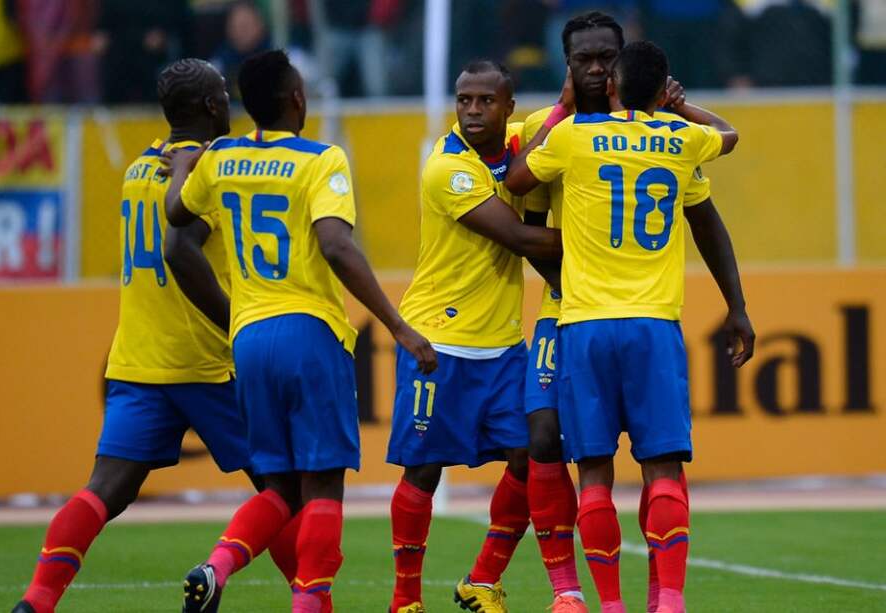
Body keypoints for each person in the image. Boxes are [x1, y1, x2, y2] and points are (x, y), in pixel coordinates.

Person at [163, 49, 437, 613]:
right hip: (308, 333)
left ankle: (218, 565)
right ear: (298, 99)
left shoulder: (221, 157)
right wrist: (398, 326)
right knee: (322, 486)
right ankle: (309, 604)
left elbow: (176, 215)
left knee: (279, 489)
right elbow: (335, 245)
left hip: (248, 339)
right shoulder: (321, 159)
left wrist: (185, 170)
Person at [10, 58, 270, 613]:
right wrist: (237, 323)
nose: (230, 102)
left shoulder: (137, 169)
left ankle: (36, 600)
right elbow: (181, 252)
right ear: (209, 107)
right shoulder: (211, 170)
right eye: (223, 94)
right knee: (282, 488)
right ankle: (310, 599)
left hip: (137, 360)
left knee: (105, 489)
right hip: (206, 361)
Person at [507, 40, 754, 613]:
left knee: (594, 471)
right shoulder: (681, 139)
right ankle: (670, 601)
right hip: (653, 324)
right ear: (663, 90)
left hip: (585, 325)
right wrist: (680, 108)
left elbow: (517, 181)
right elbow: (729, 133)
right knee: (662, 467)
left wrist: (562, 107)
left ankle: (611, 605)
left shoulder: (574, 136)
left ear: (612, 86)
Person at [386, 60, 561, 613]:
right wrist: (601, 239)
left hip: (504, 348)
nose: (473, 110)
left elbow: (564, 119)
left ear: (508, 106)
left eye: (486, 100)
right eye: (464, 100)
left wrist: (574, 98)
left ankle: (482, 580)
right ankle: (405, 600)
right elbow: (518, 238)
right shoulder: (447, 167)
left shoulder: (520, 140)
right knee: (424, 469)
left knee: (531, 458)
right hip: (439, 342)